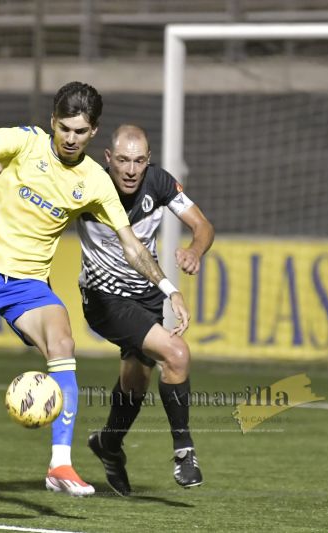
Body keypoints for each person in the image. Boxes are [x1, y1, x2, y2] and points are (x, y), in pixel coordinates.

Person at [0, 83, 191, 498]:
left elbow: (131, 244)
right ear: (52, 123)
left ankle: (59, 464)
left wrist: (170, 289)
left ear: (93, 132)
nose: (70, 138)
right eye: (64, 128)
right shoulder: (25, 142)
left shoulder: (95, 181)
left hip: (27, 285)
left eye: (80, 132)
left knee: (63, 341)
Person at [78, 124, 214, 496]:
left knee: (135, 382)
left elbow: (202, 225)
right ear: (108, 159)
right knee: (177, 353)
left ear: (149, 161)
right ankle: (184, 450)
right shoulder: (88, 185)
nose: (131, 169)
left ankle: (108, 443)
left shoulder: (160, 183)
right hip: (104, 299)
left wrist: (194, 251)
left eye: (139, 161)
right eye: (123, 160)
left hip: (146, 297)